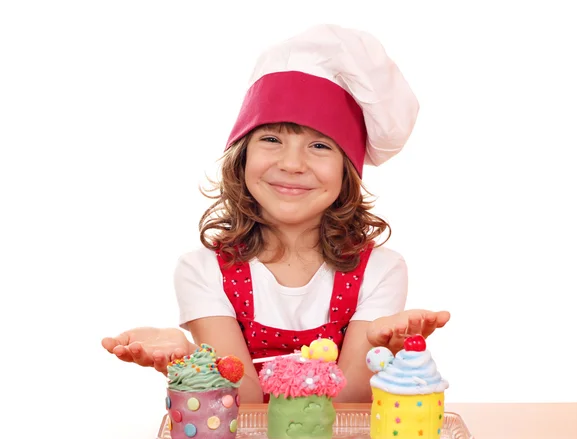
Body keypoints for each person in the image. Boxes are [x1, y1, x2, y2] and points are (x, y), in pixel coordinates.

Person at [102, 24, 450, 403]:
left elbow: (346, 404)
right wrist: (191, 360)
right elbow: (245, 404)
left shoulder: (381, 270)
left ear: (348, 171)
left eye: (319, 145)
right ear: (242, 154)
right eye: (271, 139)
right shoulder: (202, 271)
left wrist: (383, 346)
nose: (292, 164)